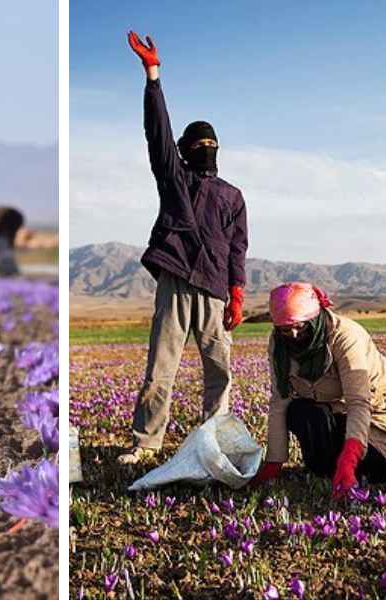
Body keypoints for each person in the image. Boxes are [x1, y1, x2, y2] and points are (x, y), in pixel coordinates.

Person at [117, 30, 251, 465]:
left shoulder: (232, 196)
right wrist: (152, 76)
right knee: (161, 369)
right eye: (199, 145)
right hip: (176, 282)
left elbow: (237, 249)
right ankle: (146, 443)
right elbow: (158, 135)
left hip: (213, 290)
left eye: (209, 145)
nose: (205, 150)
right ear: (187, 152)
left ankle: (213, 442)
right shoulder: (176, 181)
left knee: (220, 373)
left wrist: (236, 292)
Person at [244, 283, 386, 495]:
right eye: (286, 329)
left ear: (315, 318)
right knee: (300, 414)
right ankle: (332, 464)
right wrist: (274, 463)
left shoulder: (345, 336)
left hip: (379, 408)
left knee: (374, 469)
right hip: (334, 407)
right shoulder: (279, 345)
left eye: (301, 326)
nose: (295, 335)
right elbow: (280, 399)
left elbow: (358, 402)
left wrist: (350, 459)